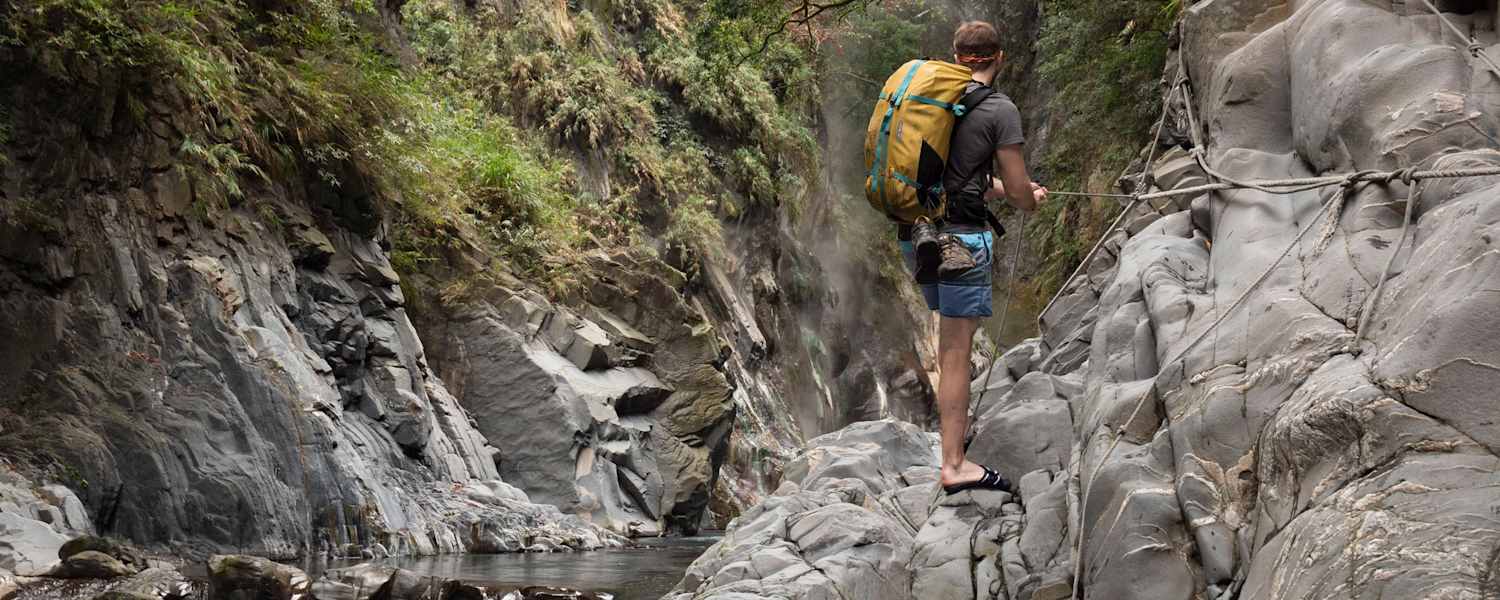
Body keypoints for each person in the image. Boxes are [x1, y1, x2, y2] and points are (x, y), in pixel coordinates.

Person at [900, 21, 1047, 495]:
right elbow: (1021, 191)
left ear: (958, 56)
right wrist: (1028, 197)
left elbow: (966, 176)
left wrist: (1002, 190)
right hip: (962, 244)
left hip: (918, 235)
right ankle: (954, 464)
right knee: (956, 351)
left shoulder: (934, 102)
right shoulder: (1000, 110)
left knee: (948, 340)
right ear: (997, 57)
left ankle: (951, 455)